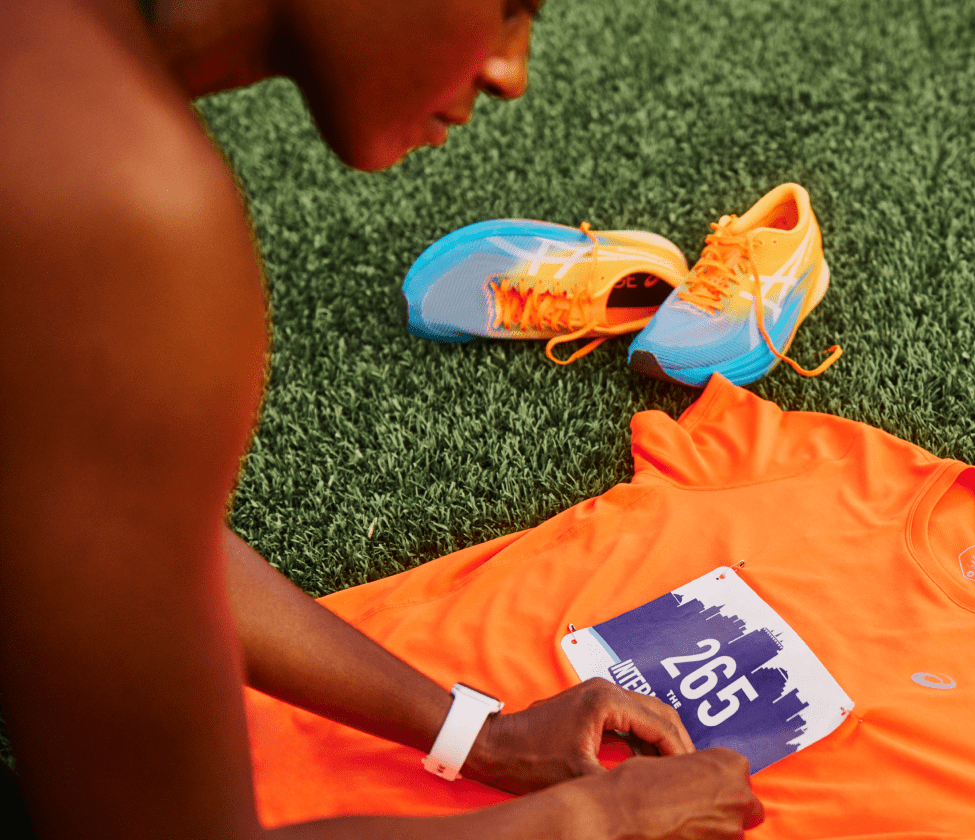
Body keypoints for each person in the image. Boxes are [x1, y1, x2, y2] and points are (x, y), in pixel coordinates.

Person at [0, 1, 764, 838]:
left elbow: (141, 541)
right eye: (510, 9)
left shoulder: (56, 72)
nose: (513, 73)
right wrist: (597, 819)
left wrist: (479, 735)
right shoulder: (122, 198)